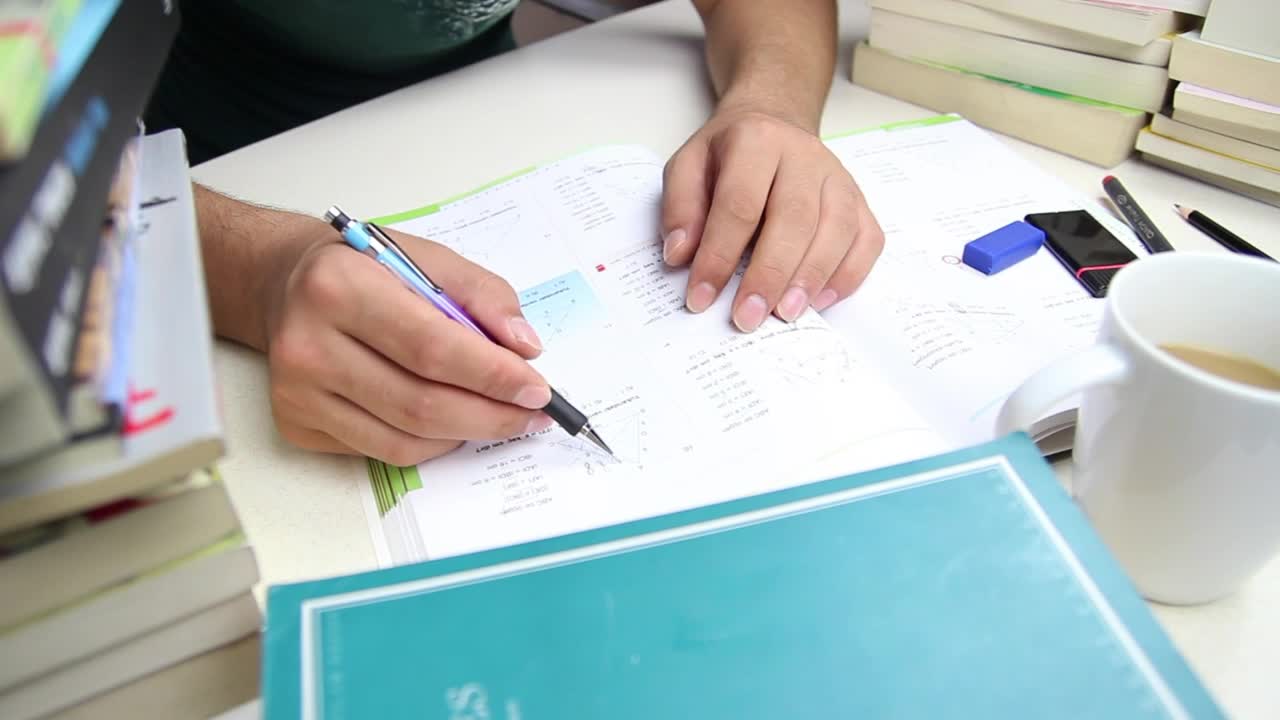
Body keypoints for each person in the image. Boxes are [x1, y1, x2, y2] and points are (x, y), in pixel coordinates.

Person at [151, 0, 885, 466]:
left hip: (491, 115)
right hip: (194, 175)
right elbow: (48, 181)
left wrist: (772, 104)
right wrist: (261, 272)